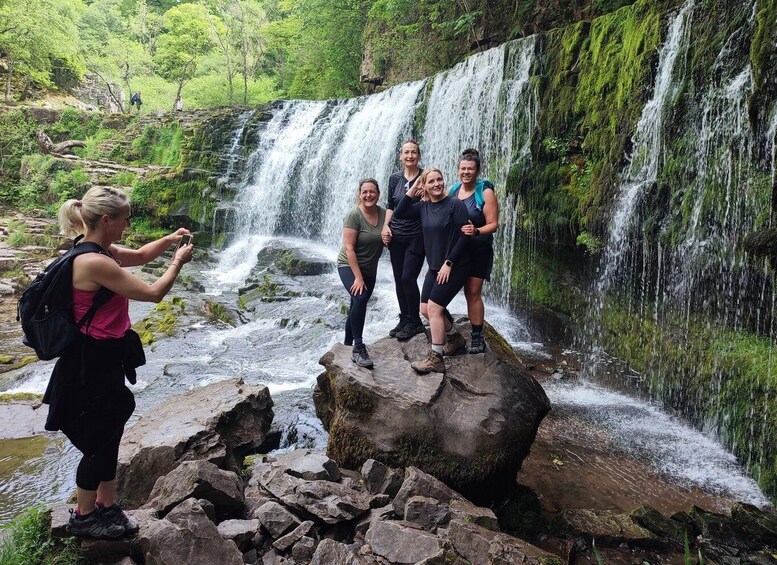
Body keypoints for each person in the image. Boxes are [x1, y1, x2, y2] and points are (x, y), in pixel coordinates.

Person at [43, 186, 193, 540]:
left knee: (110, 432)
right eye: (126, 218)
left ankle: (107, 507)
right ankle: (84, 516)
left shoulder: (98, 249)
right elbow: (154, 292)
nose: (129, 223)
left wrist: (170, 239)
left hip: (103, 356)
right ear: (107, 220)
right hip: (89, 361)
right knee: (98, 440)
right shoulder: (93, 262)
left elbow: (140, 255)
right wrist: (177, 262)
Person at [394, 168, 470, 374]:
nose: (437, 184)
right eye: (431, 182)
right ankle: (454, 337)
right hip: (435, 266)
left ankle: (436, 357)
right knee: (424, 308)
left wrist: (450, 262)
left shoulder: (455, 204)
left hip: (454, 265)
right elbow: (399, 212)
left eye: (439, 180)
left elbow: (464, 236)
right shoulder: (424, 207)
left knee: (435, 309)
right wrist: (413, 188)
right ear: (424, 186)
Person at [449, 148, 499, 353]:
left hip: (478, 249)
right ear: (458, 170)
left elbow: (493, 224)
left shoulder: (485, 192)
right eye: (463, 168)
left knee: (472, 293)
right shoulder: (453, 190)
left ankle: (477, 336)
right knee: (443, 290)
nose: (466, 172)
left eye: (470, 169)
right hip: (456, 250)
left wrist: (476, 230)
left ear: (477, 171)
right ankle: (450, 332)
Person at [337, 178, 387, 369]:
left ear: (378, 194)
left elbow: (388, 236)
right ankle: (358, 347)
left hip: (369, 269)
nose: (368, 195)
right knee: (360, 298)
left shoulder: (384, 214)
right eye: (364, 192)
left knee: (357, 303)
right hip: (348, 265)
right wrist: (358, 277)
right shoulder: (353, 215)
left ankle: (348, 344)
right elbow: (349, 249)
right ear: (359, 194)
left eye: (372, 192)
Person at [381, 139, 425, 341]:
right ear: (401, 156)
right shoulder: (394, 179)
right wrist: (385, 226)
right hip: (396, 236)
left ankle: (415, 321)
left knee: (408, 277)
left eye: (413, 152)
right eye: (406, 152)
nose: (410, 156)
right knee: (399, 279)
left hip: (417, 236)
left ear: (418, 155)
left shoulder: (425, 177)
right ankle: (405, 317)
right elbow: (391, 205)